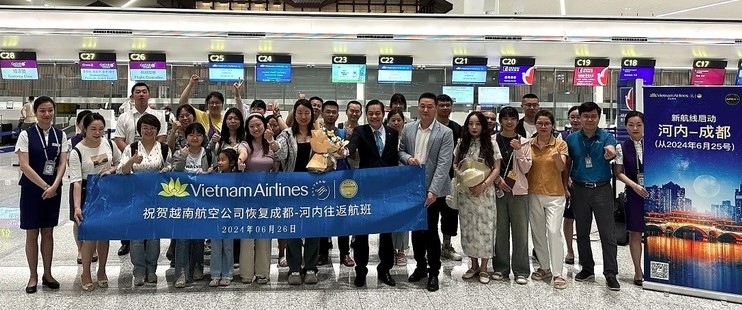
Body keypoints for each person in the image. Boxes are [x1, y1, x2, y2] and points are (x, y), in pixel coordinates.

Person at [399, 92, 454, 292]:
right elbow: (401, 150)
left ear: (436, 107)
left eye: (430, 106)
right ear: (418, 106)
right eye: (422, 106)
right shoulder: (408, 128)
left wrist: (433, 191)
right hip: (413, 188)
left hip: (434, 190)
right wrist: (407, 159)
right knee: (416, 230)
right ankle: (420, 266)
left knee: (430, 230)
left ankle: (434, 271)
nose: (425, 110)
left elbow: (443, 164)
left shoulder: (445, 132)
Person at [15, 96, 68, 293]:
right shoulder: (26, 135)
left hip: (53, 190)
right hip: (31, 189)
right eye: (42, 111)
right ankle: (32, 276)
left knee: (48, 232)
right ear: (35, 113)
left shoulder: (60, 135)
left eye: (50, 110)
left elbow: (63, 162)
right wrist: (45, 185)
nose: (47, 114)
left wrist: (54, 186)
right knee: (32, 233)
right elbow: (24, 165)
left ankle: (48, 273)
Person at [565, 101, 620, 291]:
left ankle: (610, 273)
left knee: (607, 234)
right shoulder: (571, 139)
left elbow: (612, 151)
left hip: (602, 189)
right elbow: (567, 164)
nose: (589, 119)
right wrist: (566, 184)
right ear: (579, 117)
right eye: (585, 116)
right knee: (581, 232)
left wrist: (610, 154)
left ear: (599, 118)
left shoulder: (607, 137)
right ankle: (587, 268)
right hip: (579, 190)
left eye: (593, 116)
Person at [344, 100, 399, 288]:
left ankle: (385, 269)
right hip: (366, 188)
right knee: (362, 231)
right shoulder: (361, 131)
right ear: (366, 115)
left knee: (386, 231)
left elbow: (394, 157)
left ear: (384, 114)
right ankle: (361, 270)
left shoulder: (392, 133)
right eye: (371, 113)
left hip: (387, 189)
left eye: (377, 113)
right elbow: (353, 145)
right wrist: (346, 151)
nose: (374, 116)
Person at [113, 82, 167, 257]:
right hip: (132, 170)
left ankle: (151, 265)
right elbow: (119, 139)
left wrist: (149, 150)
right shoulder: (124, 117)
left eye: (144, 92)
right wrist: (132, 155)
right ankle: (126, 243)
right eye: (138, 92)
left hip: (153, 174)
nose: (141, 95)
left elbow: (162, 137)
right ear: (132, 96)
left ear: (149, 95)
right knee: (132, 216)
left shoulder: (158, 115)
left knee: (152, 223)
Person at [117, 114, 170, 286]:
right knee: (136, 237)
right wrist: (131, 161)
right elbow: (121, 171)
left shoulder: (163, 149)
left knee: (154, 236)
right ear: (139, 130)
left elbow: (170, 168)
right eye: (145, 127)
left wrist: (167, 170)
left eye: (152, 128)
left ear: (157, 130)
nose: (148, 131)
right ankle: (138, 271)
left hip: (156, 198)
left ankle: (151, 270)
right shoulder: (131, 148)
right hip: (136, 198)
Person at [71, 112, 121, 291]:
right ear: (84, 129)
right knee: (89, 235)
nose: (97, 132)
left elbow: (119, 163)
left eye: (101, 129)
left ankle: (101, 270)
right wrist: (77, 206)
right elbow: (76, 181)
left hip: (106, 191)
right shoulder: (77, 151)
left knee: (104, 234)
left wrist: (112, 170)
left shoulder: (109, 143)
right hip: (86, 192)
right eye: (93, 129)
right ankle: (86, 272)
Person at [276, 99, 321, 285]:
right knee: (292, 228)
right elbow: (281, 155)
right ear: (295, 114)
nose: (303, 117)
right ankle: (294, 268)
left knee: (313, 228)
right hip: (292, 189)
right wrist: (273, 144)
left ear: (312, 115)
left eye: (307, 113)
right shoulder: (286, 134)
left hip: (314, 189)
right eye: (300, 113)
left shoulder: (318, 135)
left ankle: (310, 267)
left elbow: (327, 158)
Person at [454, 111, 501, 285]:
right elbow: (455, 163)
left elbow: (496, 168)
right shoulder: (461, 143)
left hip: (485, 194)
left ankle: (484, 268)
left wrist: (484, 185)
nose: (474, 127)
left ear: (483, 126)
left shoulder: (491, 142)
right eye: (471, 124)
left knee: (485, 229)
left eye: (478, 124)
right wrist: (464, 178)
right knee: (469, 229)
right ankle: (473, 265)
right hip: (466, 193)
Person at [527, 109, 569, 289]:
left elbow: (561, 168)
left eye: (547, 123)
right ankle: (544, 267)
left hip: (555, 195)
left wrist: (556, 157)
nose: (543, 127)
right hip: (533, 193)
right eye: (540, 123)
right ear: (535, 125)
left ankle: (558, 273)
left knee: (553, 231)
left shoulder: (560, 144)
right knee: (537, 232)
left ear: (553, 125)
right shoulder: (528, 144)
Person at [491, 107, 532, 284]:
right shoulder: (492, 140)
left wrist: (518, 150)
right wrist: (497, 180)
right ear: (500, 121)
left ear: (517, 121)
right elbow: (487, 164)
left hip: (519, 192)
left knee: (521, 232)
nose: (509, 122)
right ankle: (501, 268)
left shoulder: (525, 142)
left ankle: (521, 270)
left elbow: (527, 168)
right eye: (505, 118)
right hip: (497, 190)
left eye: (512, 118)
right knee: (499, 231)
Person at [240, 113, 279, 285]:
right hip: (248, 195)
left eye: (259, 125)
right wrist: (241, 161)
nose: (256, 129)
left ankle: (263, 273)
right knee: (247, 234)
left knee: (264, 233)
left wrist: (271, 141)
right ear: (248, 129)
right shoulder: (245, 144)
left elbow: (279, 157)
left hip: (267, 194)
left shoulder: (270, 144)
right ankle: (246, 274)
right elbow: (241, 153)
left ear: (265, 126)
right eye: (252, 126)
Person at [170, 123, 210, 288]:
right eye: (191, 134)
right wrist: (184, 157)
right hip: (183, 202)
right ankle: (180, 273)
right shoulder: (180, 153)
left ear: (203, 137)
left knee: (198, 238)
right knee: (182, 239)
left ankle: (197, 269)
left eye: (199, 134)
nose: (195, 137)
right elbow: (175, 172)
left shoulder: (208, 153)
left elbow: (215, 172)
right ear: (186, 137)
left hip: (202, 202)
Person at [613, 111, 648, 286]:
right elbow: (618, 173)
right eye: (631, 125)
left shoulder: (655, 144)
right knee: (635, 232)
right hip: (634, 193)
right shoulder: (621, 147)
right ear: (626, 126)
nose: (635, 128)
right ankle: (638, 271)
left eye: (639, 124)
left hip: (654, 194)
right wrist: (634, 185)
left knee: (656, 233)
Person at [317, 100, 353, 267]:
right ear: (323, 113)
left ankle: (345, 253)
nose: (331, 114)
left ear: (338, 114)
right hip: (323, 179)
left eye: (334, 112)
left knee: (342, 216)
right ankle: (323, 252)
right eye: (328, 111)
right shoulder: (317, 133)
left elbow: (353, 155)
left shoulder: (345, 133)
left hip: (342, 179)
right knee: (324, 215)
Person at [435, 94, 464, 261]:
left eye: (448, 105)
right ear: (436, 107)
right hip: (432, 178)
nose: (445, 108)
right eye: (442, 105)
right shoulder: (430, 126)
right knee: (430, 214)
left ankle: (447, 245)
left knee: (450, 212)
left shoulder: (458, 128)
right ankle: (429, 244)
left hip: (452, 178)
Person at [209, 148, 240, 287]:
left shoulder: (238, 177)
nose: (220, 162)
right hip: (216, 215)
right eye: (218, 159)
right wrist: (207, 175)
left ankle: (228, 273)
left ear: (232, 162)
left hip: (231, 217)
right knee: (215, 246)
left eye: (223, 160)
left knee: (228, 247)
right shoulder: (215, 175)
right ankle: (215, 274)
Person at [69, 110, 95, 265]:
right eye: (85, 123)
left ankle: (94, 248)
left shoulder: (102, 140)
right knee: (77, 219)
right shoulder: (73, 143)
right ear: (79, 125)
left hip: (97, 184)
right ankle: (80, 248)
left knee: (96, 219)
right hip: (79, 183)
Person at [384, 109, 409, 266]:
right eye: (393, 120)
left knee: (404, 217)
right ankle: (389, 249)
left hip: (406, 183)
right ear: (388, 122)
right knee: (388, 217)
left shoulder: (408, 139)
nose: (396, 123)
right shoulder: (384, 137)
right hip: (388, 183)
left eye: (399, 120)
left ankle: (401, 250)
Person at [561, 106, 582, 265]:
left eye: (578, 117)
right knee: (568, 219)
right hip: (568, 184)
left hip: (585, 185)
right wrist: (566, 183)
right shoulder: (563, 137)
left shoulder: (590, 137)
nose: (575, 120)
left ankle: (583, 250)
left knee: (583, 220)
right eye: (572, 117)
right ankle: (569, 250)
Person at [179, 74, 224, 141]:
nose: (214, 105)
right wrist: (191, 83)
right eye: (211, 103)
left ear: (222, 104)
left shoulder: (226, 120)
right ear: (207, 105)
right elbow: (183, 103)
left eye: (217, 103)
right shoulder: (201, 116)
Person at [340, 100, 363, 169]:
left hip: (357, 168)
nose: (354, 114)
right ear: (346, 112)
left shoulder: (363, 131)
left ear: (361, 113)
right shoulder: (339, 128)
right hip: (340, 168)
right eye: (352, 111)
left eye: (357, 111)